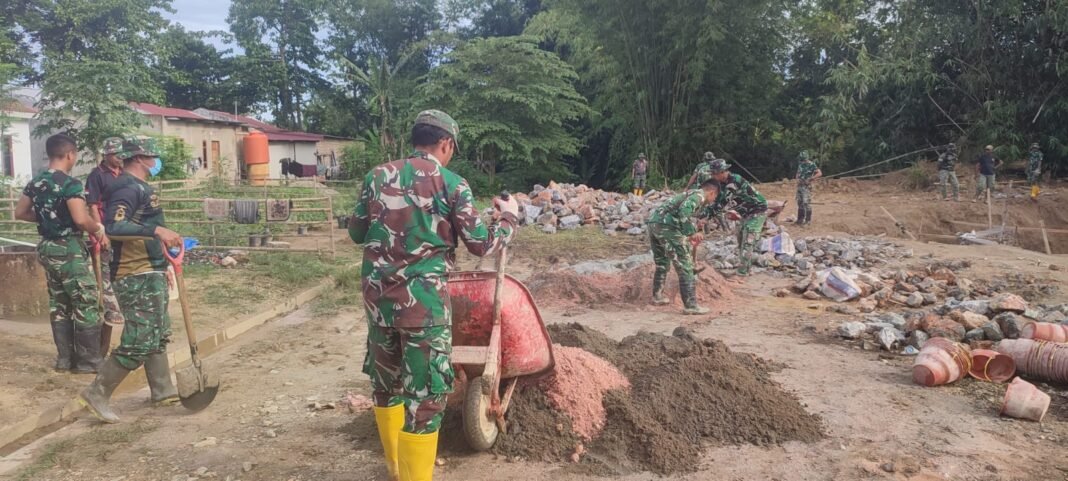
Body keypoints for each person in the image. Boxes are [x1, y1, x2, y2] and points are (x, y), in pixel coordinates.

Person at [349, 110, 518, 481]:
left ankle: (395, 468)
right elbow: (481, 245)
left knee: (386, 386)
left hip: (378, 305)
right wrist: (508, 218)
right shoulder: (452, 183)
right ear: (446, 143)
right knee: (426, 397)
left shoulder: (376, 177)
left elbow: (357, 234)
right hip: (424, 308)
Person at [79, 136, 184, 423]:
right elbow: (113, 226)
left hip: (149, 267)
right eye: (153, 157)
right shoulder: (125, 186)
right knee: (140, 338)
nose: (156, 162)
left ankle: (163, 390)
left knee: (158, 331)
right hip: (133, 272)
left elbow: (142, 224)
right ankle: (97, 392)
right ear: (139, 158)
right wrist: (157, 232)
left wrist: (162, 262)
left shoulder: (140, 186)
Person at [14, 134, 109, 373]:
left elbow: (21, 213)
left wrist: (49, 218)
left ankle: (65, 360)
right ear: (70, 155)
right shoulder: (70, 184)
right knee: (85, 299)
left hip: (47, 246)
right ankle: (89, 362)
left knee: (60, 302)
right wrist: (97, 228)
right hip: (68, 248)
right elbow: (80, 219)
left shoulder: (35, 183)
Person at [647, 180, 720, 315]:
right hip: (667, 226)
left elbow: (680, 212)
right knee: (685, 264)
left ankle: (657, 296)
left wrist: (690, 231)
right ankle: (691, 305)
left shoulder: (690, 194)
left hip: (654, 223)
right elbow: (683, 212)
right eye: (714, 197)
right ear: (712, 192)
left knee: (662, 262)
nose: (712, 200)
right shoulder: (699, 196)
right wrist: (692, 233)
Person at [85, 137, 127, 329]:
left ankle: (124, 302)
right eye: (117, 154)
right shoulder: (97, 175)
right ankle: (110, 307)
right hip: (106, 228)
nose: (120, 157)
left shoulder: (125, 173)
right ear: (108, 154)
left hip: (124, 228)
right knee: (105, 268)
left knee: (122, 265)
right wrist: (100, 232)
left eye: (122, 154)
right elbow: (92, 206)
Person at [706, 159, 768, 276]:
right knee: (740, 240)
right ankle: (746, 267)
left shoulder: (734, 181)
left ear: (721, 172)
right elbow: (717, 200)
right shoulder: (723, 183)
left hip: (757, 211)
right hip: (744, 213)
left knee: (747, 243)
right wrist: (706, 213)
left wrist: (706, 217)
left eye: (713, 173)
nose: (712, 176)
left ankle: (742, 273)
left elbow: (723, 201)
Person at [795, 150, 822, 224]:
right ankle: (800, 220)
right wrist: (797, 178)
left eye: (804, 159)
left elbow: (819, 173)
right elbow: (798, 173)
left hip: (807, 186)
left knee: (806, 203)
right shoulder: (800, 164)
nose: (803, 161)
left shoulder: (812, 164)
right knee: (799, 202)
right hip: (800, 185)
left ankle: (808, 220)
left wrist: (811, 178)